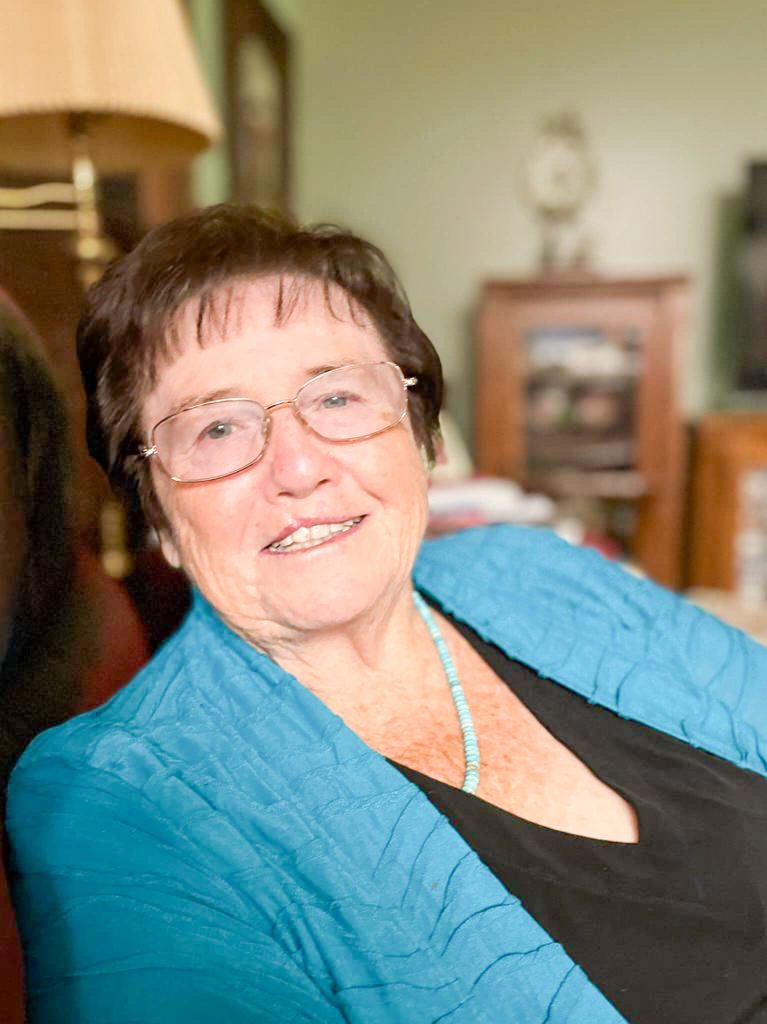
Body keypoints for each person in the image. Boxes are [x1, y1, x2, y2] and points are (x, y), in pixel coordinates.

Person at [5, 205, 766, 1024]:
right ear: (158, 516)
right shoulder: (113, 798)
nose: (297, 467)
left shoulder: (529, 565)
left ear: (422, 436)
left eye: (334, 397)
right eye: (217, 427)